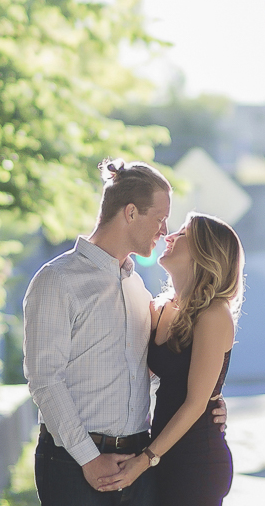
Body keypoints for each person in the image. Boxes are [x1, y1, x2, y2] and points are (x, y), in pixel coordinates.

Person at [23, 158, 227, 505]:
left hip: (138, 462)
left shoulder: (139, 290)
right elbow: (44, 379)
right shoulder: (57, 280)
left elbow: (158, 370)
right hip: (72, 463)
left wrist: (209, 402)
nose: (165, 231)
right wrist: (88, 458)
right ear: (130, 213)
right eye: (160, 219)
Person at [97, 213, 244, 506]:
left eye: (182, 234)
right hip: (162, 454)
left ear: (205, 252)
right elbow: (137, 370)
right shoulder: (160, 309)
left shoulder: (215, 314)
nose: (169, 237)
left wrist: (144, 460)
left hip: (195, 460)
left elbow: (195, 403)